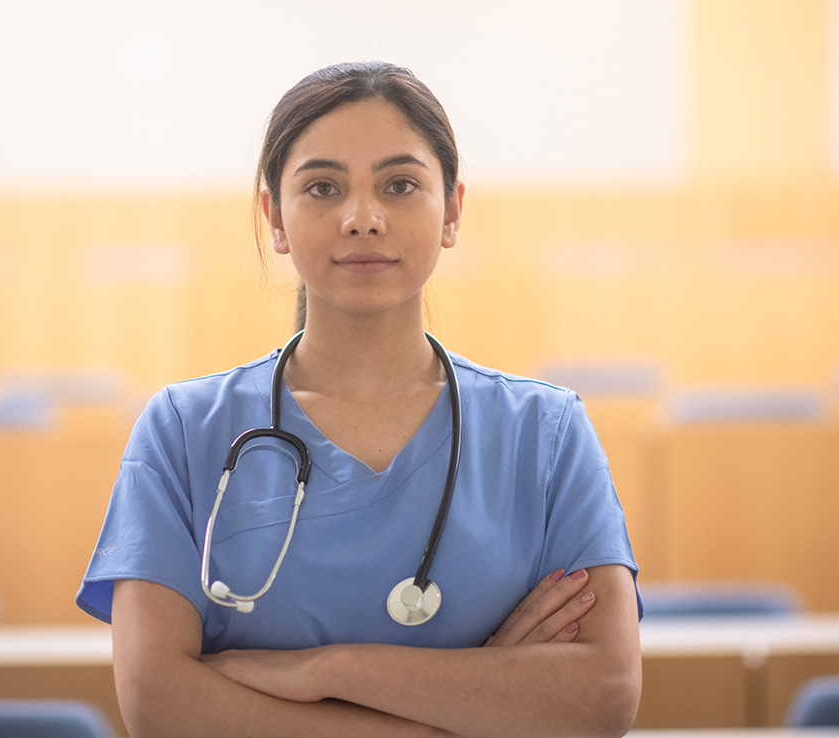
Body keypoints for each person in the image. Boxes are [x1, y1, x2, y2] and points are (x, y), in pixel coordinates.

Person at [77, 61, 642, 737]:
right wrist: (476, 703)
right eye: (322, 187)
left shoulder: (545, 433)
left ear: (452, 211)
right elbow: (160, 706)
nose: (363, 218)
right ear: (275, 218)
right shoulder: (182, 431)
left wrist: (331, 672)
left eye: (400, 185)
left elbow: (602, 695)